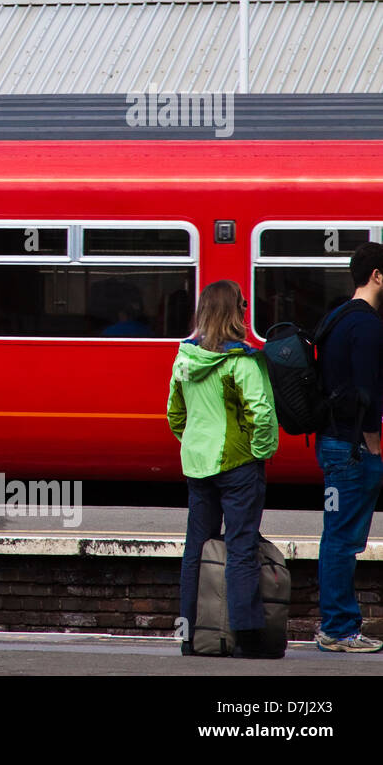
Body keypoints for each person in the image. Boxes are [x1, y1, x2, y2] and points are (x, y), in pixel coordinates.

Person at [168, 279, 278, 658]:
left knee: (195, 550)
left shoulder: (185, 358)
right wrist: (260, 452)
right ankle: (246, 638)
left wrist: (195, 443)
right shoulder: (240, 362)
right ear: (236, 312)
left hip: (198, 466)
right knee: (241, 546)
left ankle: (190, 636)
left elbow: (174, 414)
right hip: (238, 464)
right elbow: (261, 414)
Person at [312, 242, 383, 653]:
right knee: (343, 540)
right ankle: (339, 629)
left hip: (332, 442)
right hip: (353, 449)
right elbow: (367, 396)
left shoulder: (337, 316)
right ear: (377, 276)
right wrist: (374, 451)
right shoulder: (369, 326)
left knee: (335, 537)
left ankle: (334, 625)